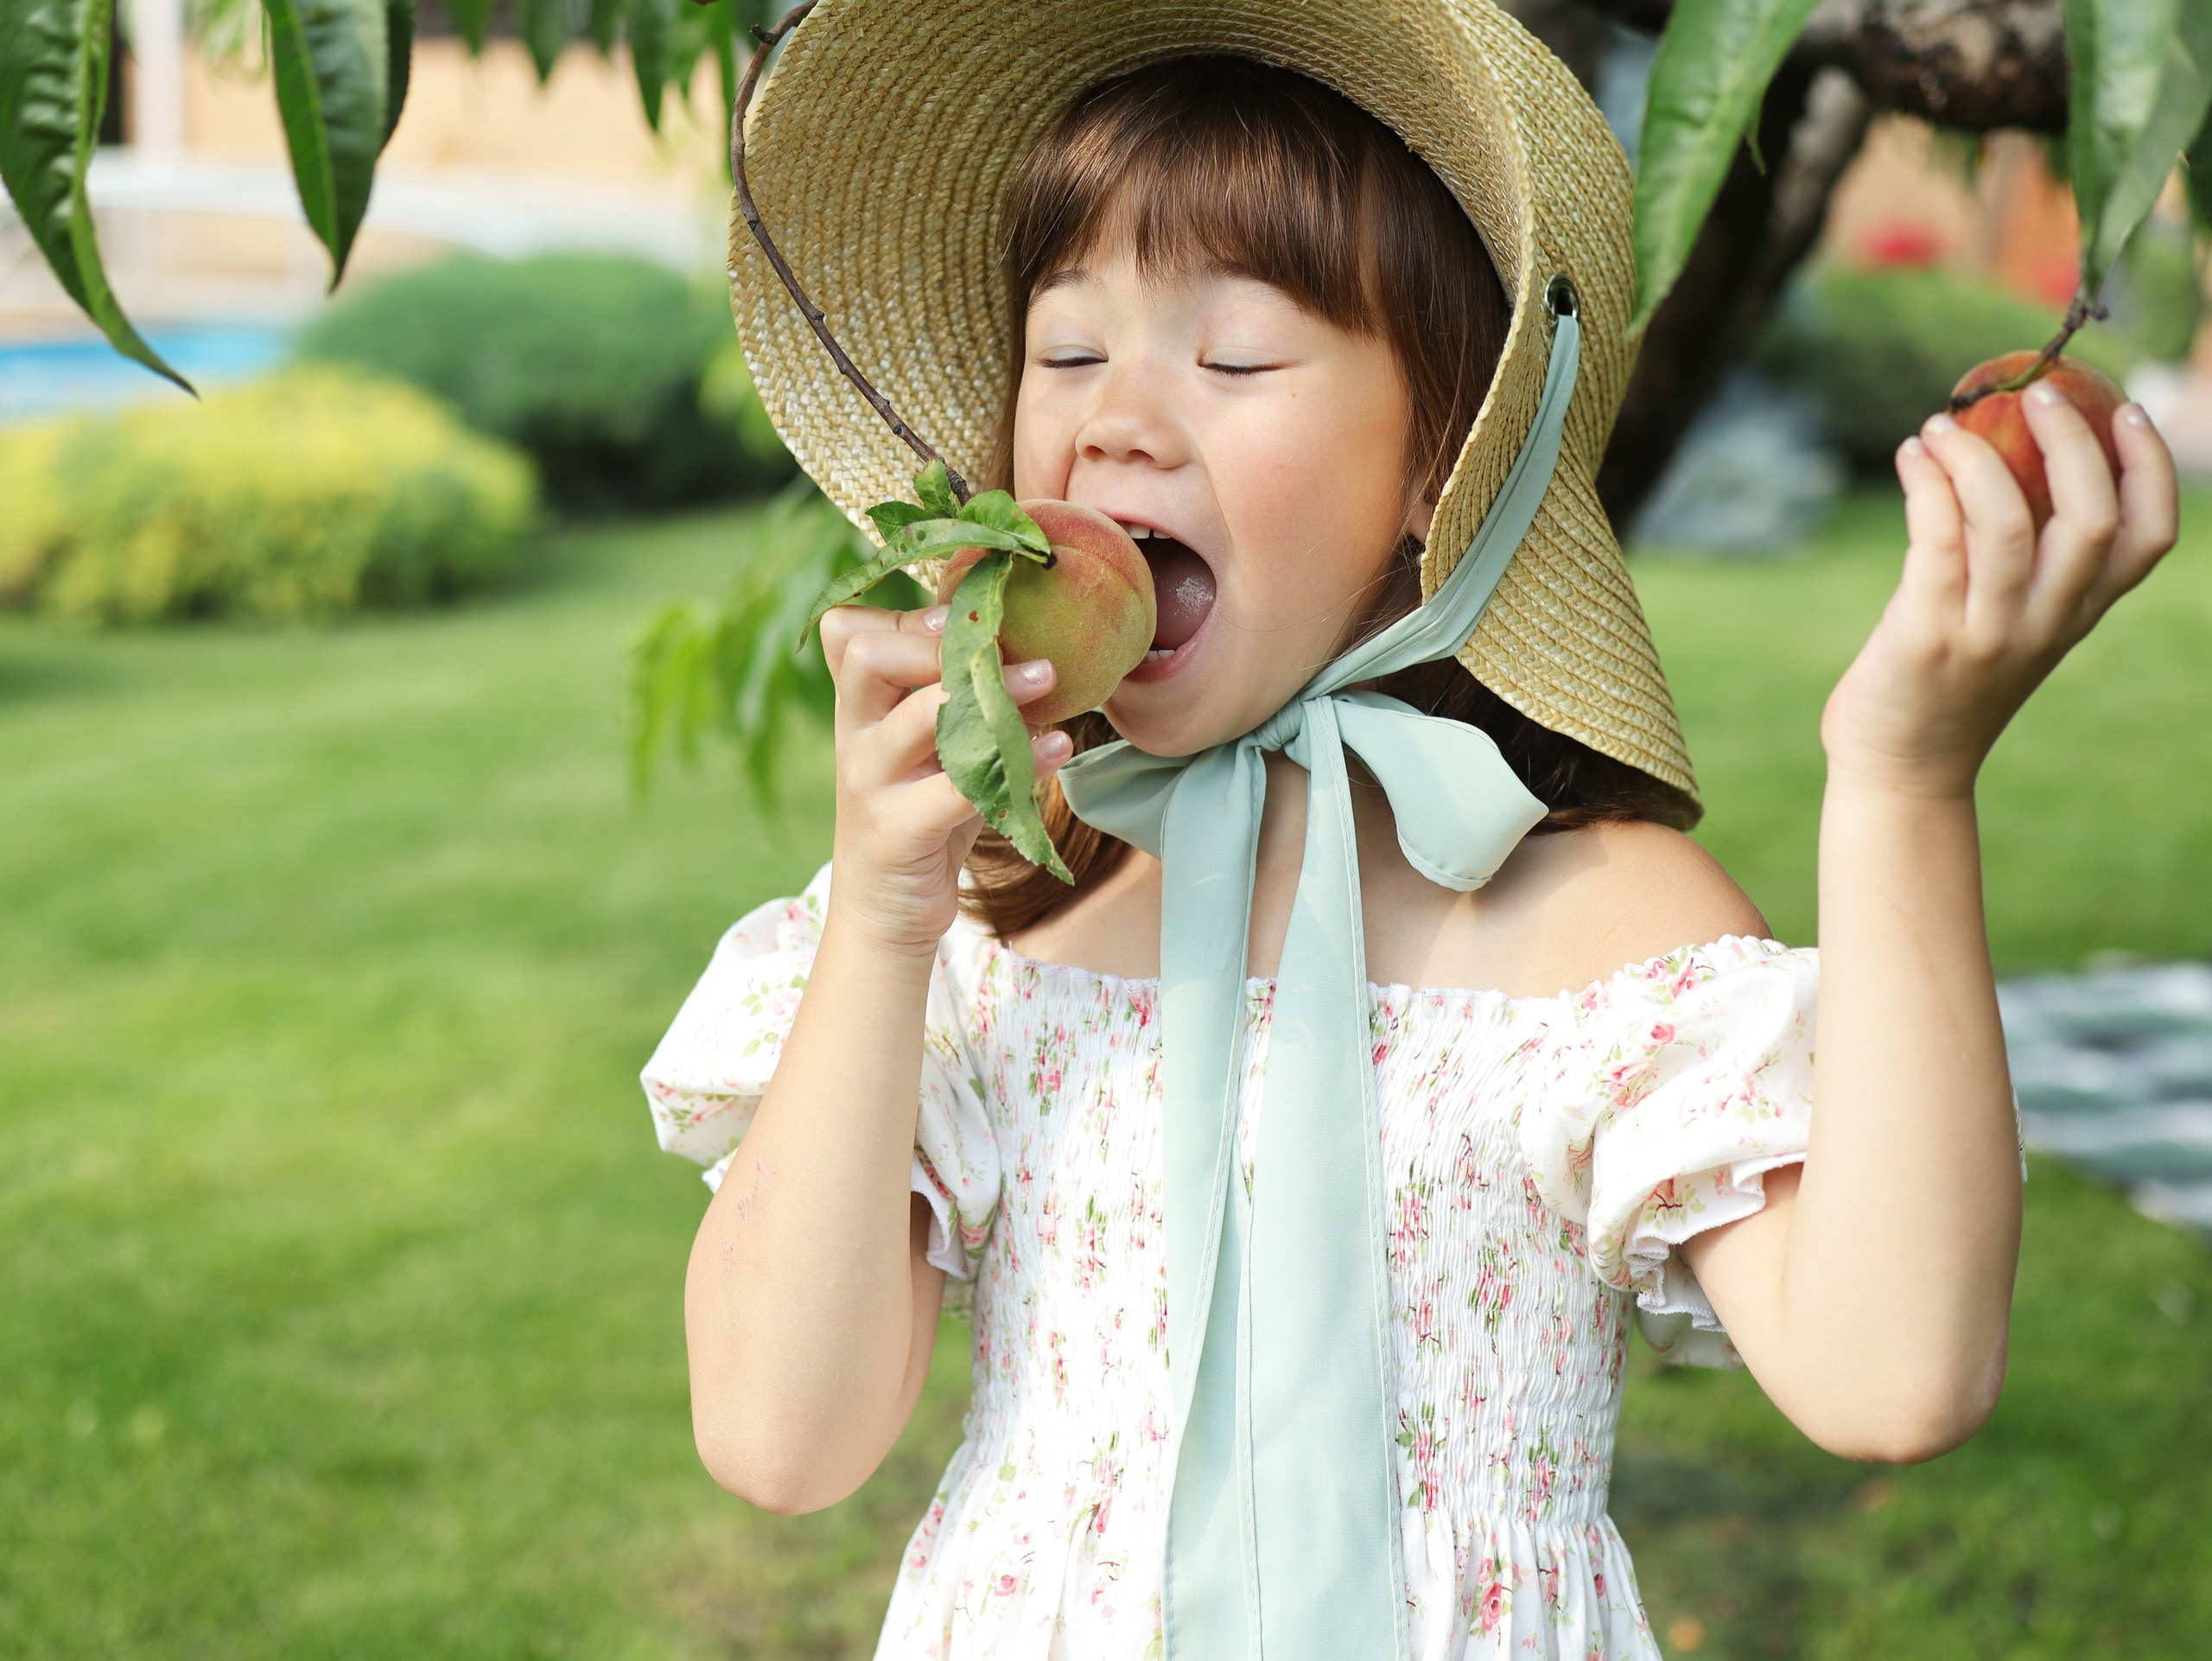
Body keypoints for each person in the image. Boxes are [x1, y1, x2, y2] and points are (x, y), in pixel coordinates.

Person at [642, 3, 2181, 1656]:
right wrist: (882, 914)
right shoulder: (987, 922)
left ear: (1439, 456)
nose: (1119, 420)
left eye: (1232, 357)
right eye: (1068, 349)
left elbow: (1897, 1371)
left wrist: (1905, 778)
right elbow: (777, 1437)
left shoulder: (1590, 936)